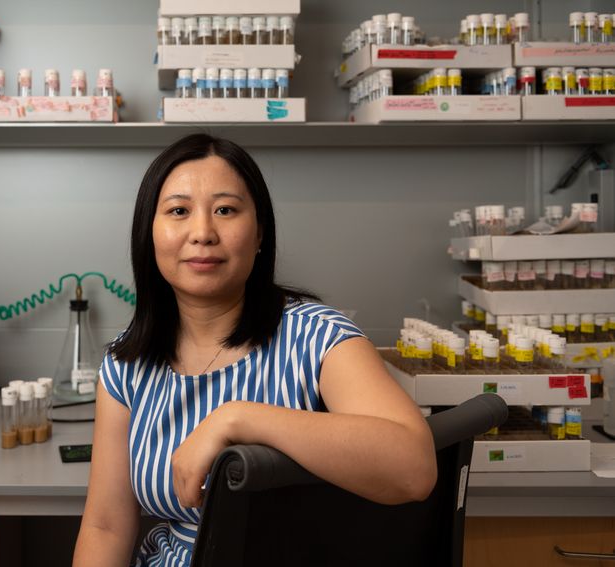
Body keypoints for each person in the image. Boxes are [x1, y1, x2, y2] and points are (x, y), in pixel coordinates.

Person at [73, 134, 437, 567]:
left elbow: (413, 469)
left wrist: (239, 419)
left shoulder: (318, 336)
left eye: (225, 210)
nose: (203, 233)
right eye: (178, 211)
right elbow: (106, 526)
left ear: (260, 231)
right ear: (149, 234)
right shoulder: (127, 364)